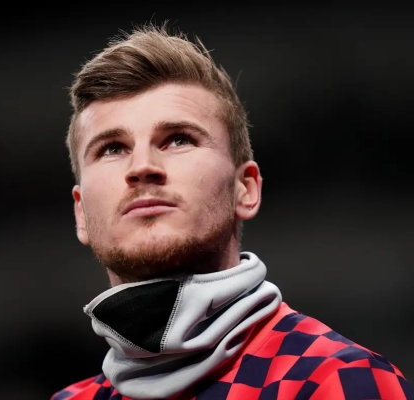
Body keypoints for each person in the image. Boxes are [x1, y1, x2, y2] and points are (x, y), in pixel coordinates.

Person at [51, 24, 413, 400]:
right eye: (112, 148)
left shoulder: (338, 381)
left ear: (246, 189)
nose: (142, 166)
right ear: (81, 213)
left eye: (178, 139)